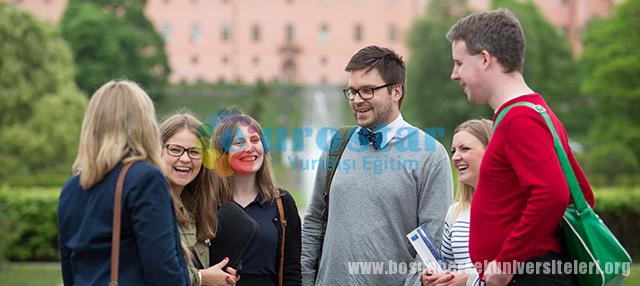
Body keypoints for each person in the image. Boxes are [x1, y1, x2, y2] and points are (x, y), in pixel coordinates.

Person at [447, 9, 595, 286]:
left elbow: (553, 194)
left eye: (458, 63)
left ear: (484, 59)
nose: (454, 74)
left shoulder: (519, 119)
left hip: (530, 275)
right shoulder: (534, 112)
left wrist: (505, 263)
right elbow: (582, 192)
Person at [301, 45, 454, 285]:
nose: (356, 100)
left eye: (367, 91)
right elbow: (313, 222)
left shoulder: (430, 155)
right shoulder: (337, 144)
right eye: (352, 92)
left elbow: (431, 240)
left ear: (396, 91)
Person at [57, 80, 189, 285]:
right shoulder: (145, 179)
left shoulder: (72, 188)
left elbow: (69, 269)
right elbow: (162, 270)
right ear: (144, 124)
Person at [211, 112, 302, 286]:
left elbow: (292, 271)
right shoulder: (206, 202)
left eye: (255, 140)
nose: (250, 148)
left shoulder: (282, 203)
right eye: (239, 142)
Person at [160, 113, 238, 286]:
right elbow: (151, 273)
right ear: (158, 151)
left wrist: (220, 277)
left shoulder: (195, 208)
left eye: (194, 152)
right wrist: (202, 278)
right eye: (175, 149)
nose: (185, 159)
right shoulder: (151, 206)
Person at [421, 119, 492, 286]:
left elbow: (519, 273)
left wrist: (470, 280)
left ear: (491, 151)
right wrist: (434, 277)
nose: (455, 157)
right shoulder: (456, 211)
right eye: (453, 151)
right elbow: (448, 264)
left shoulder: (513, 208)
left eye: (465, 149)